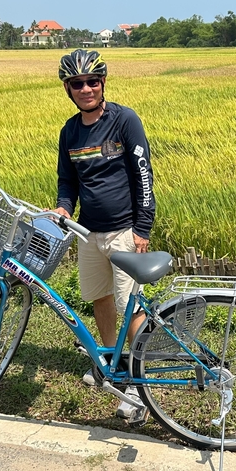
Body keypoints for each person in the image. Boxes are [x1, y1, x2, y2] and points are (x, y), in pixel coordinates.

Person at [53, 49, 155, 420]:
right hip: (88, 232)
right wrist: (64, 208)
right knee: (100, 299)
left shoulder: (125, 120)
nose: (86, 88)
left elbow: (144, 174)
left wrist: (143, 226)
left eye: (92, 81)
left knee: (132, 308)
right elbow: (68, 182)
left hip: (124, 231)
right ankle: (114, 366)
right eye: (77, 83)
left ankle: (139, 387)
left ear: (103, 83)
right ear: (68, 88)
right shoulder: (70, 131)